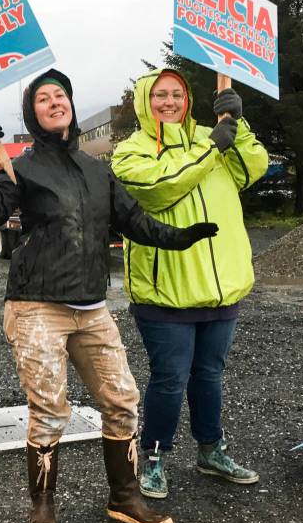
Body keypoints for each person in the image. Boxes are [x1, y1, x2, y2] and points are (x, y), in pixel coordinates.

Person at [0, 69, 219, 523]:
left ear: (70, 105)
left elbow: (135, 222)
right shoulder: (19, 166)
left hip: (92, 306)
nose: (53, 102)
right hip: (36, 305)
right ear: (32, 113)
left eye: (60, 94)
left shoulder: (96, 169)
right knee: (48, 409)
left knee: (122, 399)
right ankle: (42, 508)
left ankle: (124, 497)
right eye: (42, 98)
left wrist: (181, 238)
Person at [109, 69, 269, 498]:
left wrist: (237, 123)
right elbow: (161, 188)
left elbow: (253, 168)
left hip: (222, 288)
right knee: (170, 378)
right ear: (146, 101)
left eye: (176, 94)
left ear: (188, 99)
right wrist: (211, 144)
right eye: (159, 95)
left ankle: (211, 450)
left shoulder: (210, 133)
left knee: (209, 375)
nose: (169, 102)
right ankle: (155, 458)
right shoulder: (130, 152)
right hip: (167, 292)